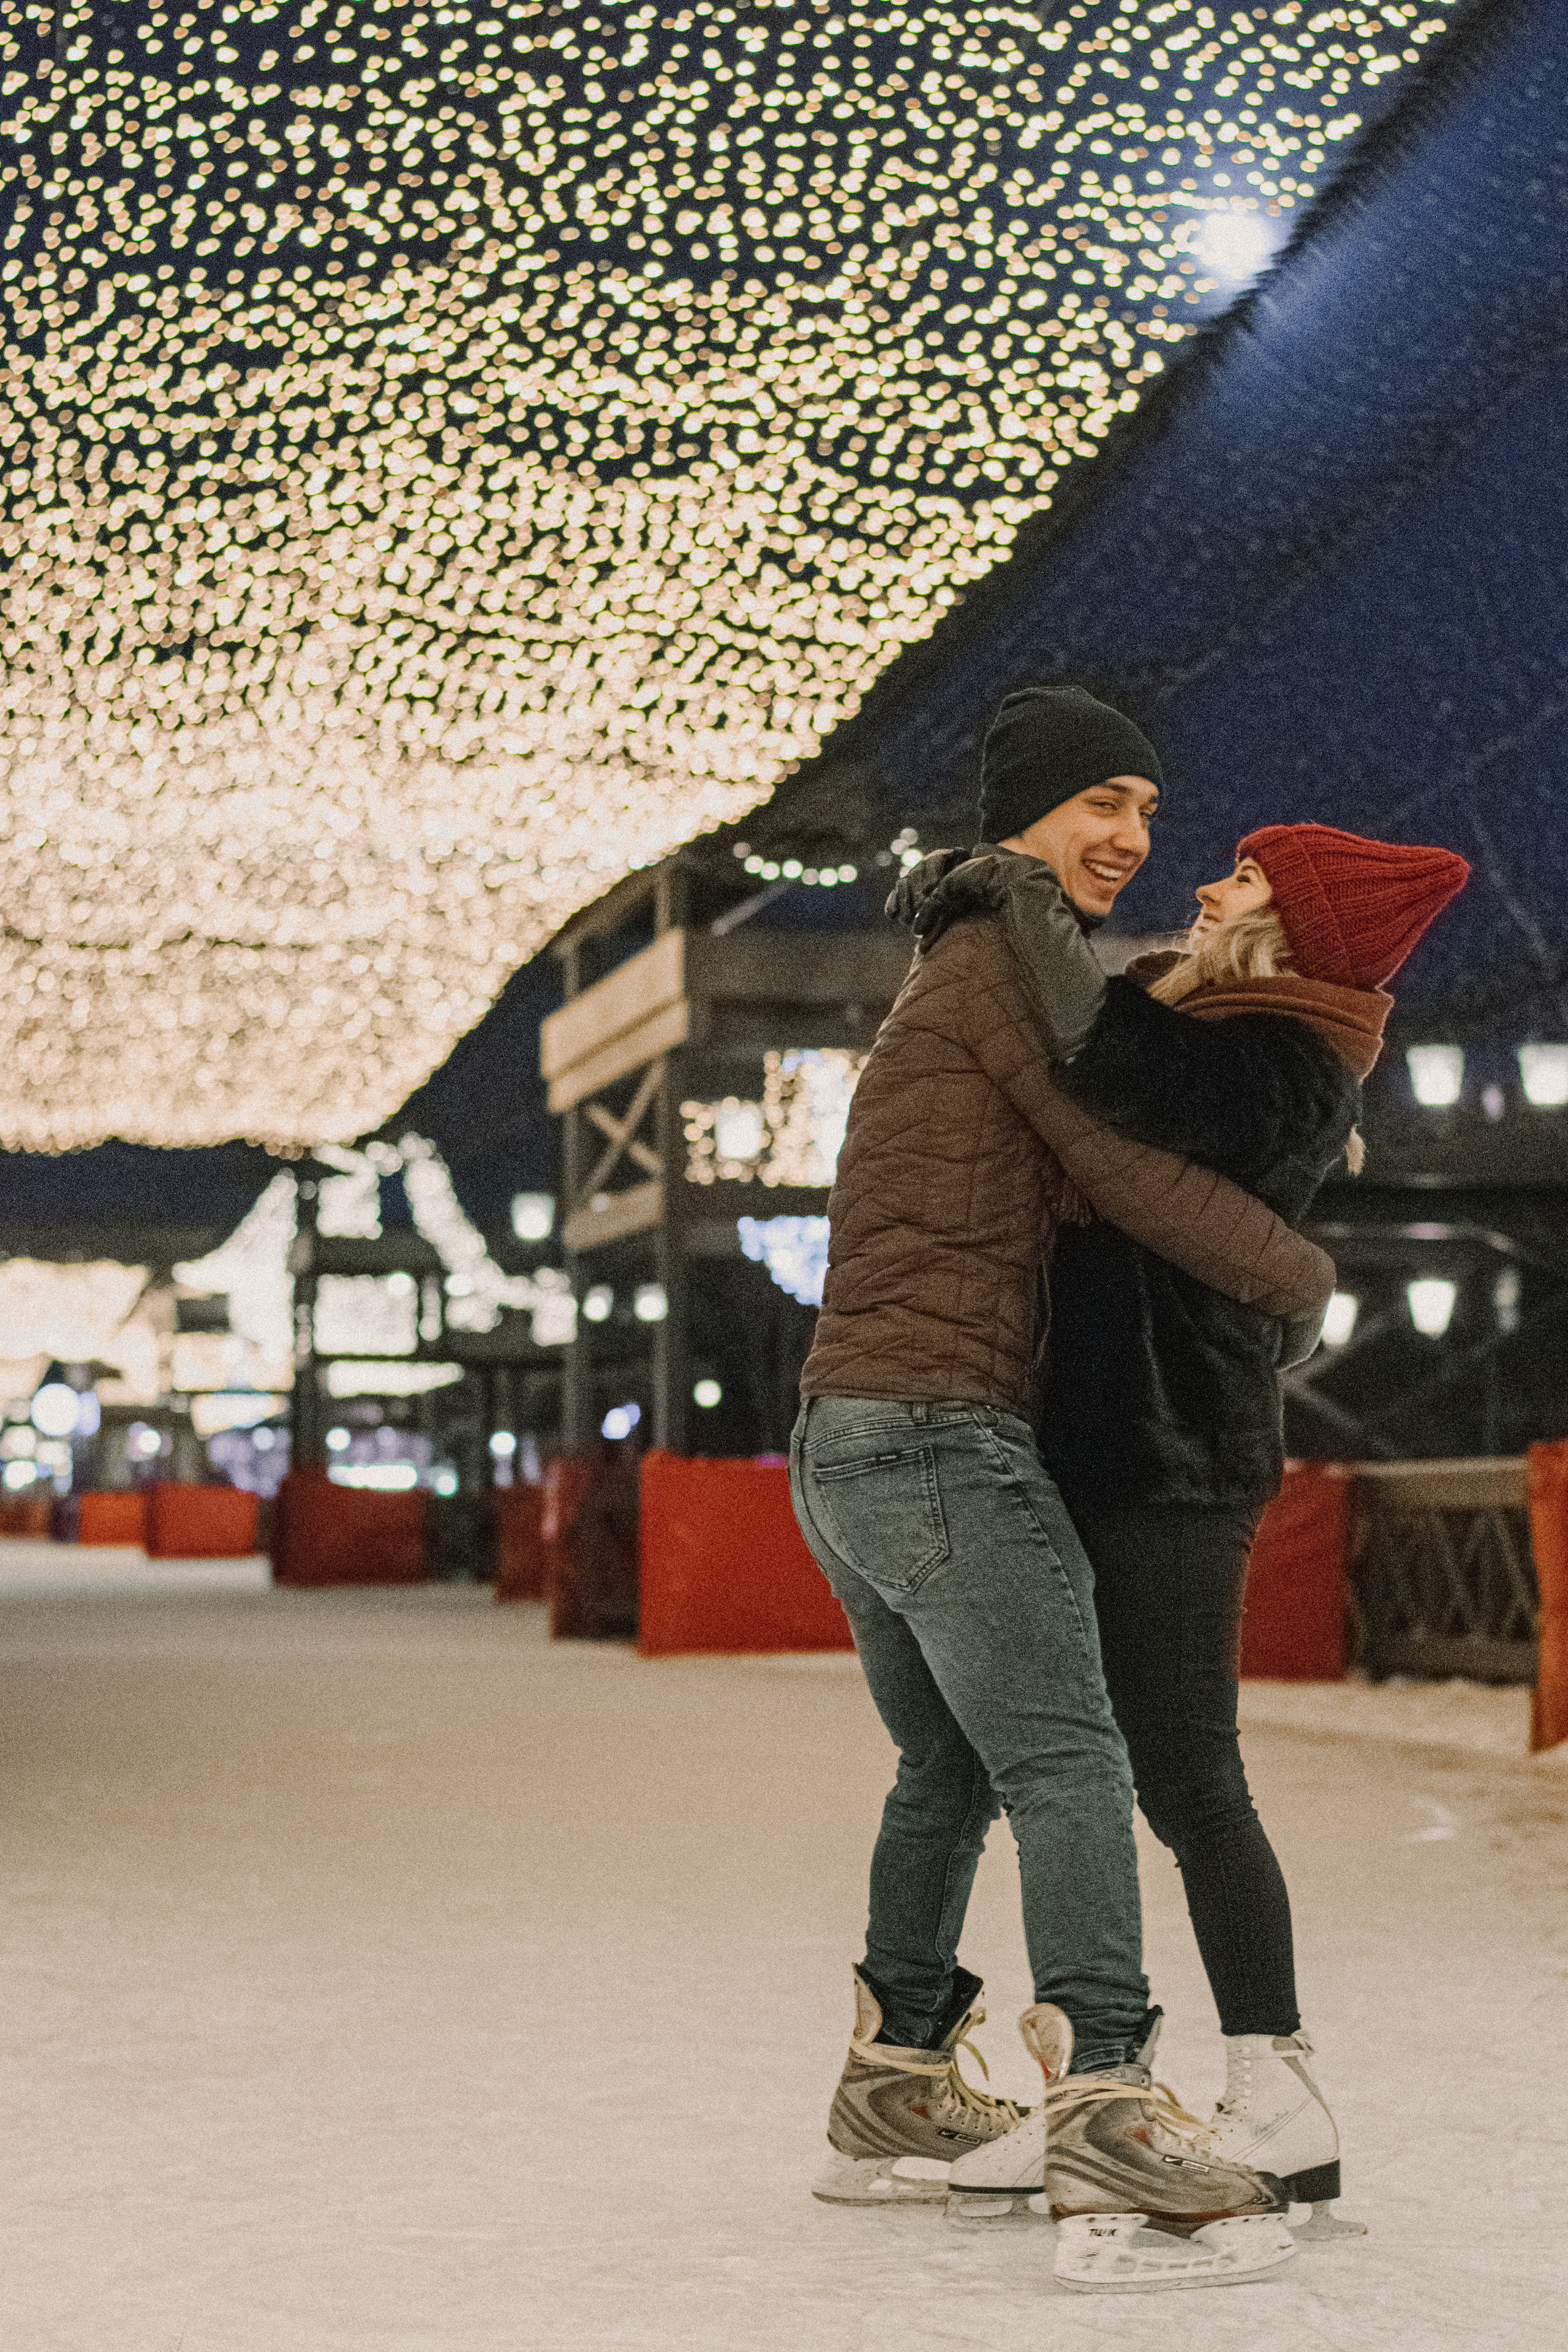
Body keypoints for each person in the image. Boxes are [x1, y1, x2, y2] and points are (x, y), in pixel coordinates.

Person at [790, 687, 1336, 2282]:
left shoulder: (962, 958)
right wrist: (1295, 1275)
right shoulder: (1002, 960)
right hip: (941, 1435)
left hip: (847, 1432)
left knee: (948, 1771)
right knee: (1075, 1762)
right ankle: (1104, 2092)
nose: (1134, 839)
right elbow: (1121, 1167)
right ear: (1024, 812)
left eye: (1153, 814)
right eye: (1104, 800)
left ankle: (892, 2078)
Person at [902, 812, 1469, 2224]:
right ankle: (1102, 2086)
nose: (1207, 883)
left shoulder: (1288, 1063)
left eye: (1244, 875)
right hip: (1087, 1452)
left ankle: (1275, 2087)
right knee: (1066, 1776)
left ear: (1296, 926)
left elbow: (1117, 1069)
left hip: (1174, 1463)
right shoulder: (1214, 1019)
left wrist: (1016, 902)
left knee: (1185, 1777)